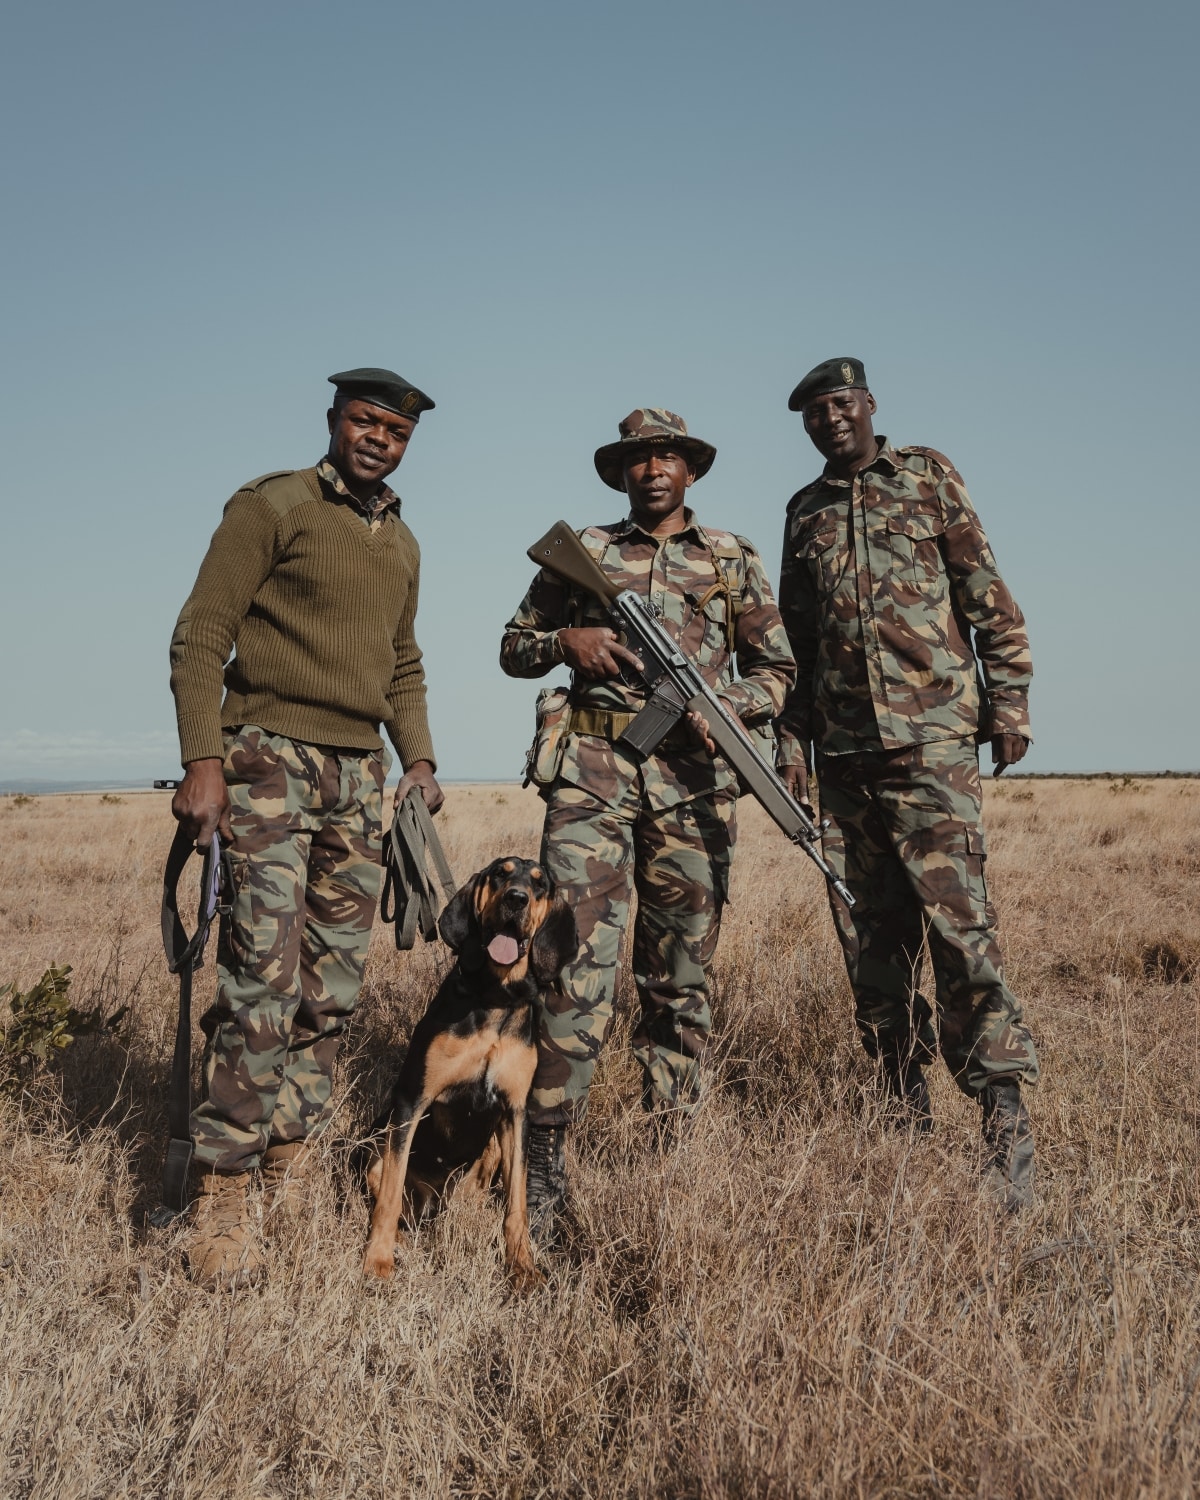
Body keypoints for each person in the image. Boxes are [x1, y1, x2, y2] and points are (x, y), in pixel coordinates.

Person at [168, 366, 444, 1285]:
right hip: (266, 762)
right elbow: (203, 629)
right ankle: (223, 1193)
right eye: (366, 422)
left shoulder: (402, 542)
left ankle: (289, 1162)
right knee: (261, 979)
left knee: (331, 988)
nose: (379, 440)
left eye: (396, 432)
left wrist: (423, 762)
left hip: (360, 777)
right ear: (334, 421)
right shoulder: (273, 506)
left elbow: (403, 663)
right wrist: (204, 761)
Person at [500, 407, 796, 1237]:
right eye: (637, 459)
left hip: (695, 787)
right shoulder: (585, 553)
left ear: (691, 471)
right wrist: (570, 640)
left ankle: (674, 1142)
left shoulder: (731, 557)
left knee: (679, 974)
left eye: (667, 457)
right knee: (571, 965)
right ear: (620, 473)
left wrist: (726, 707)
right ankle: (547, 1154)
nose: (653, 469)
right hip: (592, 781)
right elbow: (512, 645)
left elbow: (777, 668)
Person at [777, 357, 1040, 1206]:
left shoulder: (928, 475)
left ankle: (1004, 1124)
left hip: (933, 747)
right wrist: (789, 741)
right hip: (845, 760)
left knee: (963, 934)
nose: (830, 420)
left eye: (841, 404)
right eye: (815, 413)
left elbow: (985, 593)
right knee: (871, 944)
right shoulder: (804, 512)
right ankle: (902, 1111)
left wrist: (1011, 703)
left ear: (869, 405)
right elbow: (796, 643)